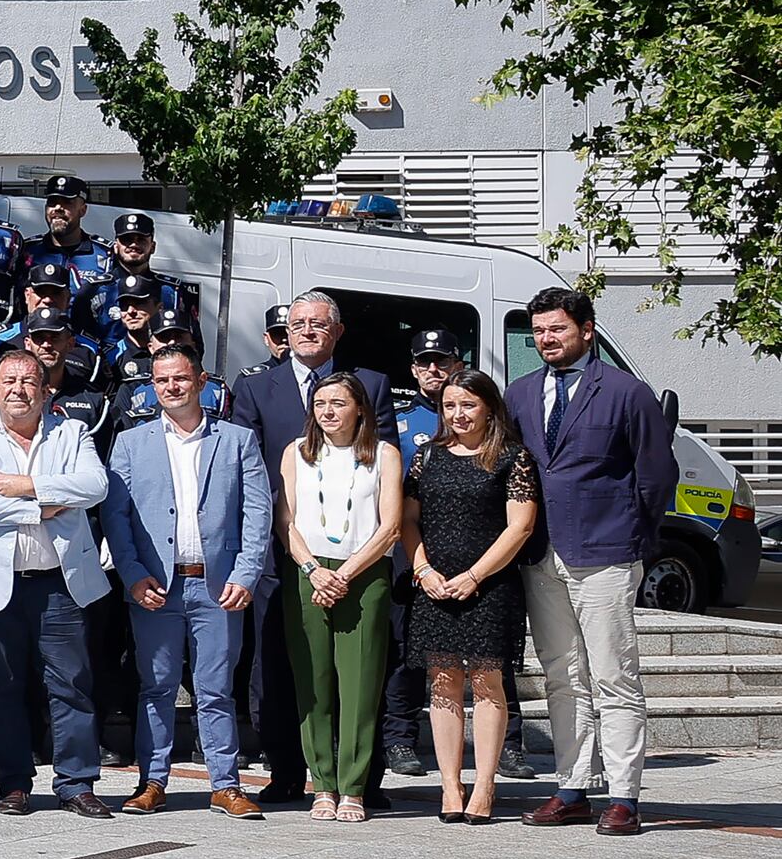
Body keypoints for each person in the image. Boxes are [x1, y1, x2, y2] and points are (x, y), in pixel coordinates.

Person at [503, 287, 671, 834]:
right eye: (540, 331)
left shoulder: (627, 393)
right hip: (540, 553)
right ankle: (571, 789)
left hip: (606, 553)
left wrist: (633, 540)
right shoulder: (521, 393)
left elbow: (655, 477)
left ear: (586, 329)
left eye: (558, 329)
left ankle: (623, 797)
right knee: (561, 676)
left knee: (614, 678)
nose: (547, 339)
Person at [0, 346, 120, 817]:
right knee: (2, 686)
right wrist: (40, 508)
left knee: (71, 684)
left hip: (59, 584)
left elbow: (94, 486)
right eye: (8, 382)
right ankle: (14, 783)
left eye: (28, 382)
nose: (18, 390)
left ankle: (76, 783)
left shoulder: (73, 431)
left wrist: (23, 486)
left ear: (46, 391)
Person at [101, 343, 268, 816]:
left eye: (179, 378)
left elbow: (257, 512)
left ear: (201, 382)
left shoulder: (237, 440)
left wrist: (246, 572)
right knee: (156, 686)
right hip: (156, 586)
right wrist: (132, 575)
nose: (171, 387)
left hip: (218, 586)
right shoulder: (133, 442)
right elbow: (117, 517)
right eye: (161, 381)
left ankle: (225, 783)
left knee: (216, 688)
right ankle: (152, 781)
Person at [401, 374, 542, 826]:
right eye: (449, 406)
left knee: (486, 683)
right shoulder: (426, 457)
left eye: (468, 405)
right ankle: (449, 785)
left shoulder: (512, 458)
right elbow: (406, 521)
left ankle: (483, 785)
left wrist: (474, 575)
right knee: (443, 684)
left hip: (490, 585)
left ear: (488, 408)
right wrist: (423, 570)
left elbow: (519, 527)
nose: (458, 415)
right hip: (434, 585)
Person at [278, 371, 408, 822]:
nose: (328, 412)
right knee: (312, 682)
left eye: (337, 403)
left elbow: (390, 525)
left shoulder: (384, 454)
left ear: (359, 409)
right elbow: (286, 522)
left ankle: (353, 786)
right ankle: (323, 784)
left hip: (364, 572)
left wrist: (346, 574)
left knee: (360, 683)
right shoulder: (296, 452)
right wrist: (314, 571)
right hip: (310, 571)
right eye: (319, 404)